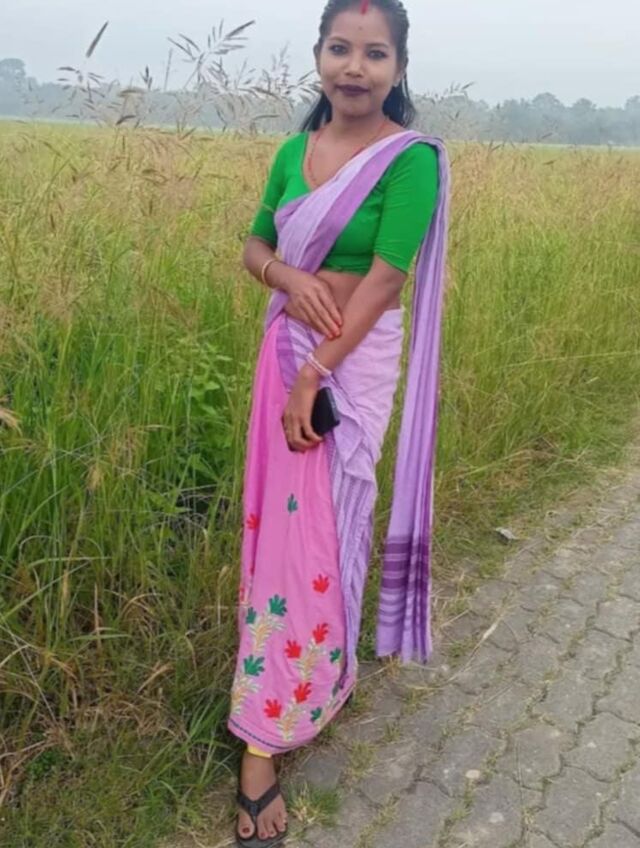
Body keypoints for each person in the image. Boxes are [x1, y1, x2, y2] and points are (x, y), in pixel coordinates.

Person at [228, 0, 450, 844]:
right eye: (340, 48)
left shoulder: (410, 161)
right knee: (279, 538)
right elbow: (254, 247)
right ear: (319, 55)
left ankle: (273, 727)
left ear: (399, 68)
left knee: (319, 532)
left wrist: (314, 374)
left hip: (341, 368)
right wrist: (286, 276)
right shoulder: (294, 151)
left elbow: (387, 278)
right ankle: (282, 687)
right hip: (283, 356)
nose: (354, 67)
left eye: (375, 53)